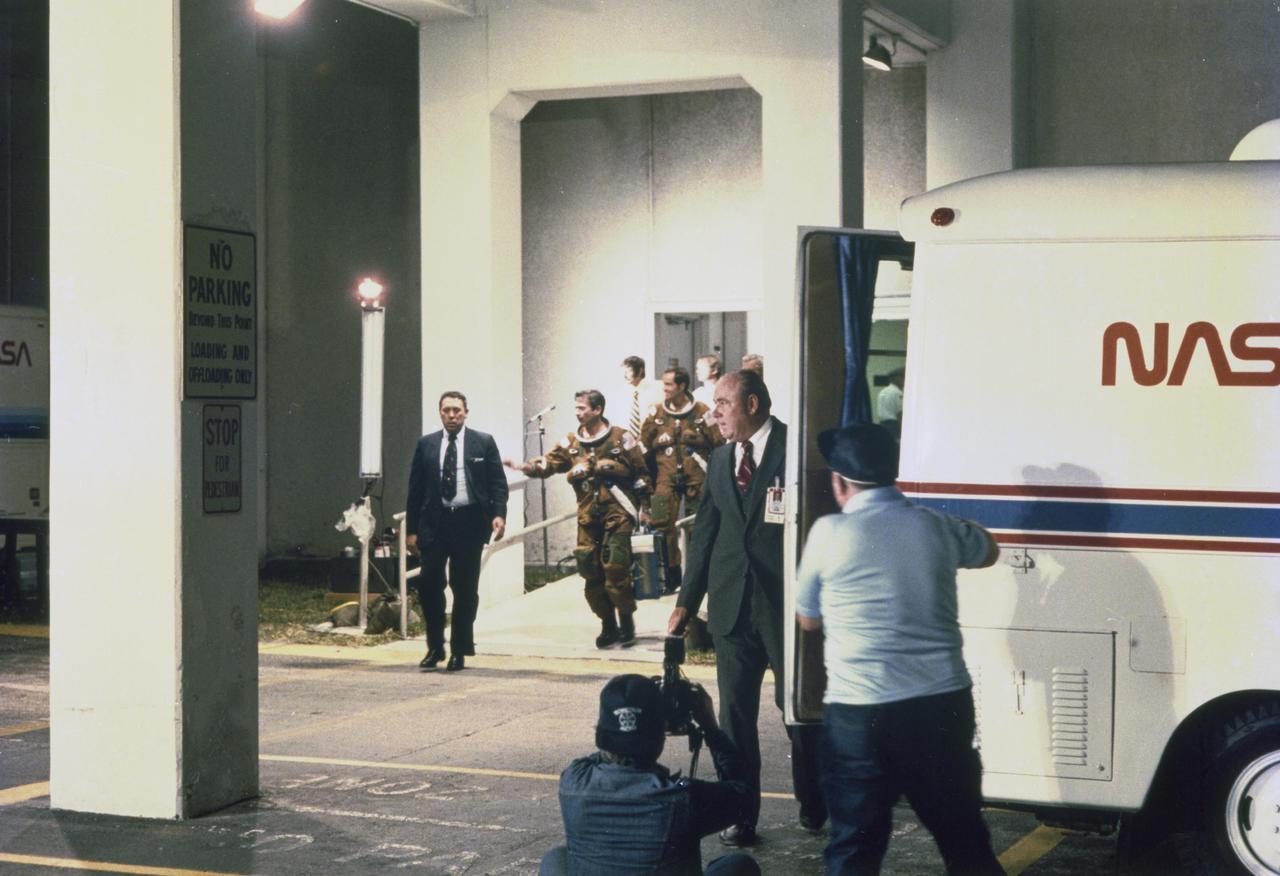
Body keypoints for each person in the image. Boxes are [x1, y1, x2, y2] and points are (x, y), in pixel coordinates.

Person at [795, 422, 1003, 876]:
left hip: (859, 715)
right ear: (892, 476)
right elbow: (989, 550)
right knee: (965, 841)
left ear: (839, 482)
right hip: (940, 709)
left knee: (854, 849)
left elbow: (807, 620)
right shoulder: (934, 526)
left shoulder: (828, 534)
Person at [666, 370, 825, 847]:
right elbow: (707, 535)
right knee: (734, 719)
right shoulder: (718, 460)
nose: (714, 414)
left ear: (752, 404)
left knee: (796, 711)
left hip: (786, 608)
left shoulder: (795, 452)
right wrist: (685, 603)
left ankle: (814, 802)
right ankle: (741, 813)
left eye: (722, 403)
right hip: (732, 607)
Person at [540, 674, 761, 876]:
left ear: (602, 734)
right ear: (661, 737)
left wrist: (625, 720)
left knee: (555, 858)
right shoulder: (685, 797)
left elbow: (601, 752)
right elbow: (746, 796)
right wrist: (711, 728)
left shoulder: (573, 780)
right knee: (739, 866)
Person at [505, 390, 651, 648]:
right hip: (588, 517)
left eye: (582, 408)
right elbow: (548, 464)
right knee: (590, 570)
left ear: (598, 410)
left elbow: (641, 472)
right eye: (576, 408)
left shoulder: (622, 437)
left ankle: (626, 622)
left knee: (616, 568)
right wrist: (522, 466)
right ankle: (608, 625)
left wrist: (646, 507)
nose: (577, 412)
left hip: (618, 513)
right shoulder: (571, 442)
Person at [405, 391, 509, 672]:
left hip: (469, 523)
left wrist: (499, 515)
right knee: (429, 585)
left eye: (457, 411)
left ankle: (459, 650)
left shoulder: (483, 442)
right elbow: (415, 490)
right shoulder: (426, 444)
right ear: (440, 412)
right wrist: (411, 530)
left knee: (464, 590)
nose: (452, 415)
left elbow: (498, 483)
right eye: (447, 410)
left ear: (466, 412)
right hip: (434, 524)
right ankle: (435, 647)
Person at [640, 366, 724, 594]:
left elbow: (720, 444)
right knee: (660, 523)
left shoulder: (703, 412)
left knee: (700, 527)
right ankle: (670, 577)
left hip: (697, 479)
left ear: (682, 386)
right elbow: (643, 449)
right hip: (664, 480)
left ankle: (698, 578)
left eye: (668, 385)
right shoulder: (655, 414)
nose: (664, 389)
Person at [619, 355, 662, 439]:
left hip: (651, 438)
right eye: (623, 372)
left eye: (628, 371)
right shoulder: (622, 394)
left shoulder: (656, 390)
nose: (625, 375)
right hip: (630, 442)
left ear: (640, 370)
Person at [875, 366, 905, 440]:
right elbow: (900, 413)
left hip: (883, 425)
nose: (904, 380)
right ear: (895, 378)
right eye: (902, 377)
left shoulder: (883, 391)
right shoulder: (897, 393)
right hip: (893, 426)